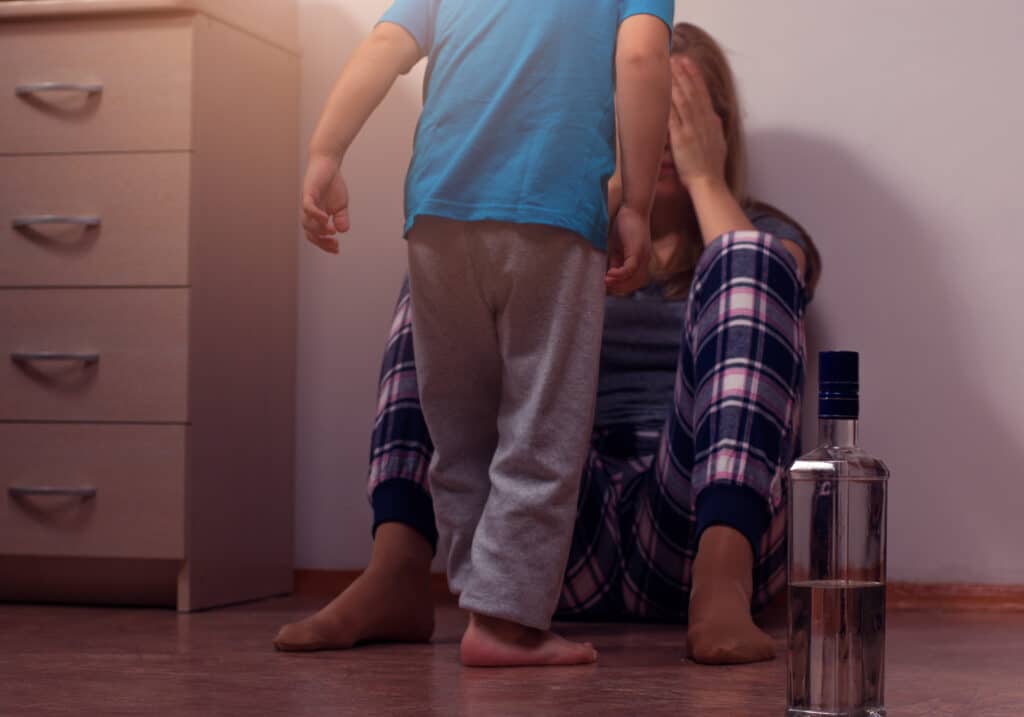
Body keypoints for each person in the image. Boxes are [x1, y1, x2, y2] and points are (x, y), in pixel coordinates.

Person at [278, 21, 822, 666]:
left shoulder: (764, 233)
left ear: (719, 126)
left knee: (748, 257)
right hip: (552, 538)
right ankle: (397, 568)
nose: (669, 135)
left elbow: (779, 282)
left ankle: (722, 589)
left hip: (692, 519)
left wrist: (705, 177)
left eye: (688, 115)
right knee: (446, 263)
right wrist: (606, 194)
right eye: (652, 107)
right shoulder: (563, 232)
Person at [296, 1, 675, 667]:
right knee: (540, 424)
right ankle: (505, 622)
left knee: (459, 427)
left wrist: (325, 151)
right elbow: (643, 56)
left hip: (438, 211)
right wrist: (637, 203)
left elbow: (384, 46)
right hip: (552, 214)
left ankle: (482, 599)